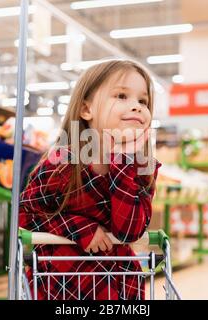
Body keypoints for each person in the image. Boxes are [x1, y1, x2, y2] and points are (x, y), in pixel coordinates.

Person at [19, 60, 160, 300]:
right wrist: (80, 228)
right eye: (122, 96)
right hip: (62, 286)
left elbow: (130, 231)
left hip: (119, 288)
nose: (136, 107)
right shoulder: (63, 163)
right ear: (87, 110)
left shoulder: (142, 169)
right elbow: (27, 212)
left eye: (142, 101)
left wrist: (123, 159)